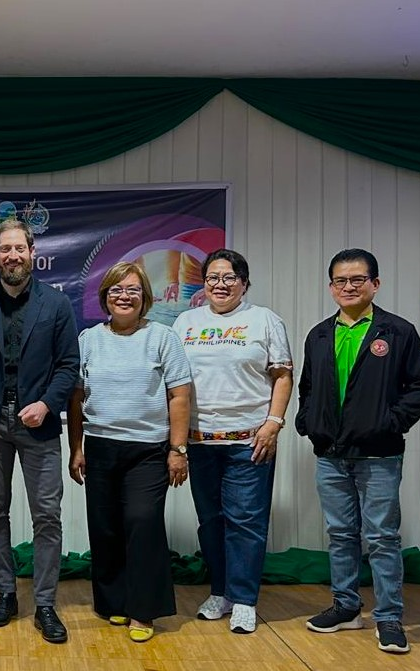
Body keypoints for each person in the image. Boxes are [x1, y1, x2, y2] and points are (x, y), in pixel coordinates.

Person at [295, 249, 420, 654]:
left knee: (383, 537)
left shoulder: (397, 332)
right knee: (340, 534)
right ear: (331, 287)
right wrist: (308, 422)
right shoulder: (320, 334)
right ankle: (346, 606)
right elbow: (307, 387)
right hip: (330, 455)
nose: (349, 287)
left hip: (379, 455)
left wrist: (391, 423)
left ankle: (389, 618)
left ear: (375, 283)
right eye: (341, 280)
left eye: (358, 279)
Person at [0, 218, 80, 644]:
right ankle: (5, 593)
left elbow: (68, 367)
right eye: (4, 249)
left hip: (39, 424)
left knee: (47, 515)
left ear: (32, 252)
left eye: (19, 248)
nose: (12, 256)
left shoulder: (56, 305)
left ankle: (45, 603)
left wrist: (47, 404)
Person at [66, 261, 191, 643]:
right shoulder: (88, 339)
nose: (124, 296)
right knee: (105, 528)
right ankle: (113, 603)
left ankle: (144, 610)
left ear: (145, 298)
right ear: (105, 296)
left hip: (148, 450)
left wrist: (178, 449)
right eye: (117, 289)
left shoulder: (163, 338)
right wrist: (76, 447)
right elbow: (76, 398)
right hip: (100, 447)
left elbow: (180, 395)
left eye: (133, 289)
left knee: (142, 522)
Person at [171, 248, 293, 635]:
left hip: (249, 441)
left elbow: (283, 375)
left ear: (244, 282)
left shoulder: (264, 320)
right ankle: (220, 591)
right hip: (200, 440)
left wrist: (273, 422)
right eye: (212, 278)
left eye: (229, 278)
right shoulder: (185, 322)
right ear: (203, 283)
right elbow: (173, 384)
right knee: (211, 522)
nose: (220, 285)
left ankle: (244, 600)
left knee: (246, 522)